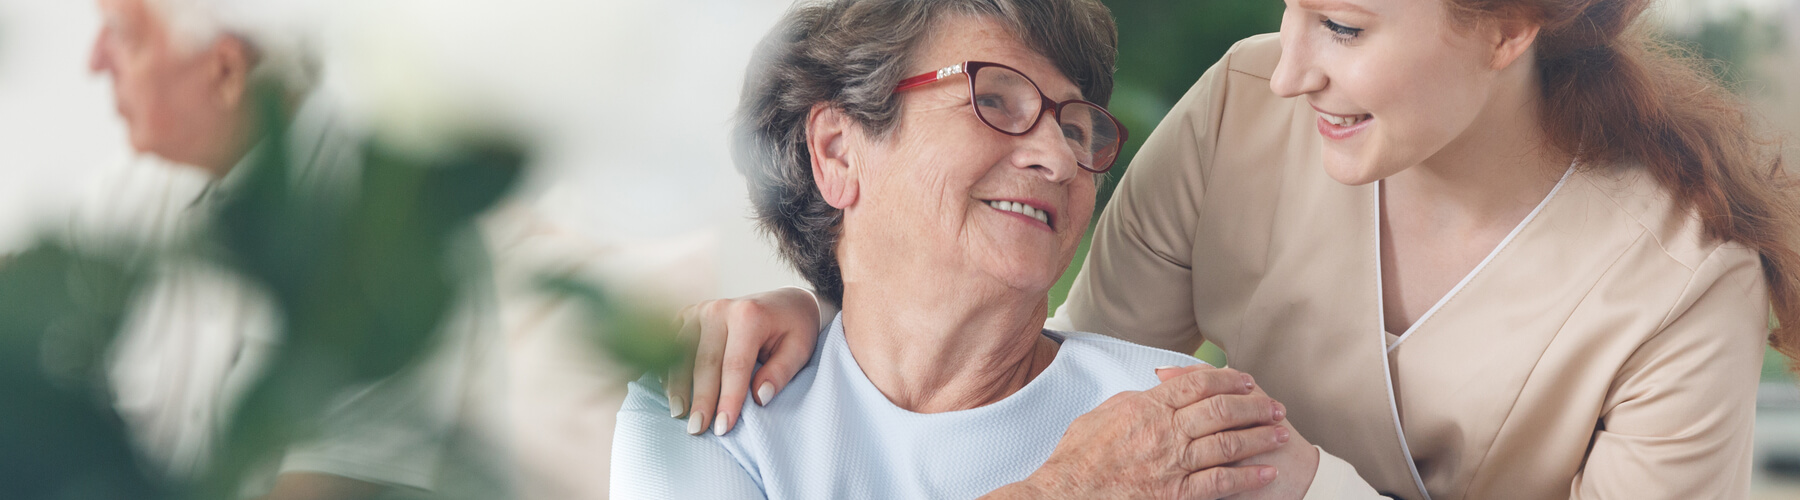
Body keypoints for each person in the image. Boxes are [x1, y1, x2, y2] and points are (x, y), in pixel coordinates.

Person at [672, 0, 1800, 497]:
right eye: (1293, 5)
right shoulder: (1245, 109)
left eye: (1346, 27)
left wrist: (1302, 485)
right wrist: (844, 299)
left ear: (1510, 30)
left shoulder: (1681, 286)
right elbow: (1068, 391)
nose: (1292, 62)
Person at [609, 0, 1336, 498]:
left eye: (1079, 127)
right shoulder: (708, 404)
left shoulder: (1190, 422)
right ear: (837, 151)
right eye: (996, 99)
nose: (1057, 157)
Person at [85, 0, 486, 498]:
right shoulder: (126, 196)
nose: (95, 61)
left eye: (125, 36)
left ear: (226, 71)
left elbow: (334, 487)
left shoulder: (384, 220)